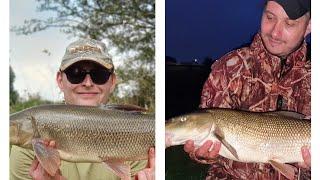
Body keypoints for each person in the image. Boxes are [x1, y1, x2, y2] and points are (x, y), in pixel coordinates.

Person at [184, 0, 311, 179]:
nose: (275, 32)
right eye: (269, 17)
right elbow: (203, 141)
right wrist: (200, 154)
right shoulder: (229, 68)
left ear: (309, 26)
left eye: (289, 23)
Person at [10, 39, 155, 180]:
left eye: (99, 75)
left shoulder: (140, 133)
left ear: (112, 82)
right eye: (76, 73)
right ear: (60, 80)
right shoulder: (26, 149)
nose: (87, 83)